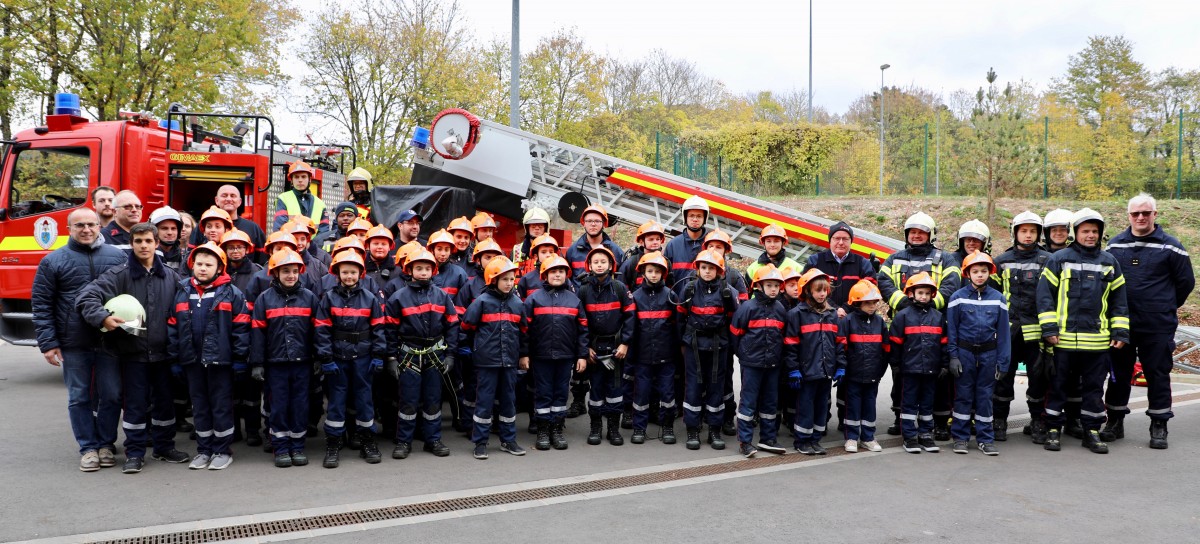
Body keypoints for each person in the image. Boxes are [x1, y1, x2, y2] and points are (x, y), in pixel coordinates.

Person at [77, 222, 192, 473]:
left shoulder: (172, 277)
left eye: (148, 241)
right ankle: (135, 452)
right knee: (135, 406)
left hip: (164, 356)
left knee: (165, 405)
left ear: (156, 243)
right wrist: (103, 318)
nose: (143, 245)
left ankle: (164, 448)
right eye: (138, 241)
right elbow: (86, 297)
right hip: (132, 355)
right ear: (132, 244)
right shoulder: (119, 275)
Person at [32, 208, 126, 471]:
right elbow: (41, 305)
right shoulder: (53, 261)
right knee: (79, 397)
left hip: (110, 340)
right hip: (73, 341)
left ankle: (106, 444)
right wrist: (48, 343)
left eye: (91, 225)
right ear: (68, 229)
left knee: (111, 395)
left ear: (100, 226)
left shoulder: (117, 256)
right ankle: (88, 448)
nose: (86, 230)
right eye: (80, 225)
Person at [1036, 208, 1129, 454]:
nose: (1090, 235)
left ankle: (1091, 431)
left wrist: (1120, 332)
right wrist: (1048, 329)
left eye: (1095, 231)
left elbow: (1119, 301)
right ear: (1075, 232)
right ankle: (1053, 429)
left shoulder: (1110, 262)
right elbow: (1045, 297)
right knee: (1057, 386)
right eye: (1085, 231)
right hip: (1062, 340)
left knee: (1093, 389)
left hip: (1097, 342)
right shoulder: (1058, 259)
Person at [1105, 194, 1193, 449]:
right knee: (1118, 375)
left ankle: (1159, 424)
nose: (1141, 218)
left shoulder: (1172, 247)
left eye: (1146, 213)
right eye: (1135, 214)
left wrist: (1163, 306)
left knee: (1157, 374)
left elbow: (1186, 283)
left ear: (1155, 214)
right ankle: (1114, 421)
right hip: (1122, 324)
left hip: (1157, 325)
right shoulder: (1115, 246)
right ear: (1128, 216)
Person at [876, 212, 960, 439]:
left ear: (930, 235)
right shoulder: (894, 259)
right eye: (912, 232)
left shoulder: (945, 259)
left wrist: (931, 306)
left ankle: (941, 421)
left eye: (921, 232)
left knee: (939, 378)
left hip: (935, 325)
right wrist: (904, 304)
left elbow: (952, 284)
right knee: (902, 377)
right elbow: (883, 281)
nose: (916, 236)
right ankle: (901, 417)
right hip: (904, 327)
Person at [168, 242, 251, 470]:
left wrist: (239, 360)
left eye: (208, 264)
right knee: (199, 406)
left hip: (221, 362)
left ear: (219, 268)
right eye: (199, 264)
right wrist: (175, 359)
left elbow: (241, 329)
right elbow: (173, 327)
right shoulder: (183, 290)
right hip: (192, 361)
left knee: (221, 406)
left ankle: (222, 450)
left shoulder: (232, 293)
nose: (202, 268)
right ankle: (204, 450)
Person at [313, 251, 388, 467]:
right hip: (338, 358)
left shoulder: (370, 298)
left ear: (360, 274)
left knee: (365, 401)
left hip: (363, 359)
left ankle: (368, 441)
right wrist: (326, 358)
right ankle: (333, 443)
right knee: (336, 402)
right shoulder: (329, 298)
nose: (349, 276)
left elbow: (378, 328)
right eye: (345, 272)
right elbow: (322, 329)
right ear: (337, 273)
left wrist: (378, 356)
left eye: (353, 272)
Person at [385, 249, 460, 460]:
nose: (424, 272)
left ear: (433, 270)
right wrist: (391, 358)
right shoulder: (398, 298)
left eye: (427, 268)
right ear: (409, 270)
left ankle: (433, 439)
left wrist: (451, 355)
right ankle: (403, 441)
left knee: (433, 400)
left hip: (435, 355)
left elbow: (453, 326)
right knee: (408, 401)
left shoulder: (442, 296)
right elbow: (389, 331)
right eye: (419, 268)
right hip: (408, 355)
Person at [804, 221, 878, 432]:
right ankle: (822, 420)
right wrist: (832, 308)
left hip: (853, 323)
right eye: (836, 238)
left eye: (845, 239)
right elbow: (806, 286)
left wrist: (845, 308)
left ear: (851, 242)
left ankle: (847, 419)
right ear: (830, 241)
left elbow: (870, 287)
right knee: (823, 370)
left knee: (848, 373)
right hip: (821, 322)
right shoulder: (815, 260)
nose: (841, 242)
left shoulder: (862, 263)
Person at [250, 248, 318, 468]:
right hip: (275, 365)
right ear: (275, 273)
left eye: (295, 271)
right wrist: (258, 363)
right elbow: (258, 334)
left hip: (303, 363)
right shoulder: (264, 299)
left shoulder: (309, 298)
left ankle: (297, 447)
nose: (291, 275)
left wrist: (318, 357)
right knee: (278, 406)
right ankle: (280, 448)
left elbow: (318, 331)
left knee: (300, 405)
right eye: (285, 271)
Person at [991, 211, 1052, 443]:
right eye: (1024, 231)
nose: (1028, 235)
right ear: (1014, 232)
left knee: (1038, 377)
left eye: (1033, 231)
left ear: (1039, 234)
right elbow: (992, 297)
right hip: (1008, 331)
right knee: (1003, 377)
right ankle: (999, 421)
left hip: (1036, 331)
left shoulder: (1048, 261)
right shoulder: (1000, 262)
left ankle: (1037, 421)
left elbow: (1052, 297)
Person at [461, 256, 529, 460]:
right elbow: (466, 328)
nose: (509, 283)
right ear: (493, 279)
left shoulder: (517, 303)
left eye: (512, 279)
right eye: (505, 279)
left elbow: (524, 332)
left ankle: (508, 440)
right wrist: (471, 350)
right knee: (484, 401)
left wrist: (523, 355)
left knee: (509, 401)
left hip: (509, 361)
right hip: (486, 362)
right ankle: (480, 442)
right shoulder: (481, 302)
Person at [946, 251, 1010, 456]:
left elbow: (1003, 334)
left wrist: (1003, 362)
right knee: (963, 395)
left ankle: (985, 438)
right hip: (964, 353)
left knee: (985, 396)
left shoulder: (998, 299)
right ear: (967, 273)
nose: (980, 275)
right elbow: (952, 330)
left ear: (990, 272)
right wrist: (953, 356)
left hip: (988, 355)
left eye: (984, 271)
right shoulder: (957, 298)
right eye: (975, 271)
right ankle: (960, 438)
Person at [523, 255, 588, 451]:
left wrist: (582, 355)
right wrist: (524, 354)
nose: (557, 274)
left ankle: (557, 430)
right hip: (540, 356)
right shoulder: (534, 299)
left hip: (565, 356)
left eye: (561, 271)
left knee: (560, 394)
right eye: (553, 271)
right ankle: (543, 430)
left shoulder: (574, 300)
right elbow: (524, 330)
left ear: (566, 274)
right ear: (545, 274)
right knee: (543, 393)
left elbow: (583, 330)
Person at [677, 249, 738, 450]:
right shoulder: (689, 289)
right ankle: (693, 430)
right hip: (694, 345)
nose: (707, 271)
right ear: (698, 269)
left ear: (719, 270)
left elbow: (733, 318)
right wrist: (682, 342)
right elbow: (680, 318)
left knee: (716, 387)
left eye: (712, 268)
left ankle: (714, 429)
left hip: (718, 346)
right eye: (704, 267)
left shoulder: (727, 291)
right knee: (693, 387)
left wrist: (729, 344)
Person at [730, 265, 788, 458]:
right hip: (752, 364)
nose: (773, 289)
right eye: (769, 285)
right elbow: (736, 335)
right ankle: (745, 442)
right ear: (758, 286)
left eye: (776, 285)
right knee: (748, 403)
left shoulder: (780, 309)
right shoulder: (747, 308)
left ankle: (768, 438)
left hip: (772, 364)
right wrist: (744, 355)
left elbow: (783, 335)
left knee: (770, 403)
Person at [784, 269, 844, 455]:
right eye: (818, 290)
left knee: (821, 407)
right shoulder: (796, 314)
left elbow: (839, 342)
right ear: (808, 291)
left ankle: (816, 440)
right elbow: (791, 345)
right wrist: (793, 369)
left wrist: (841, 366)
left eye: (824, 290)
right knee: (805, 407)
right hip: (806, 372)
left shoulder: (832, 314)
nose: (822, 294)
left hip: (826, 371)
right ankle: (802, 440)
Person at [577, 246, 632, 446]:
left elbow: (630, 318)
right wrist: (585, 349)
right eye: (596, 262)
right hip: (594, 351)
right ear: (589, 265)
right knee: (596, 389)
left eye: (603, 262)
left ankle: (614, 429)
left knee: (615, 390)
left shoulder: (619, 288)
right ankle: (595, 427)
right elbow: (580, 323)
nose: (599, 265)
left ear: (610, 265)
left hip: (616, 349)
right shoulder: (583, 290)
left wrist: (625, 343)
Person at [622, 251, 678, 445]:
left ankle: (667, 427)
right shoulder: (635, 297)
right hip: (642, 356)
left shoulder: (671, 295)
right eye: (650, 271)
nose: (654, 274)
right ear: (643, 272)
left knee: (668, 394)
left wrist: (677, 350)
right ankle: (639, 428)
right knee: (641, 393)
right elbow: (630, 327)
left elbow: (677, 326)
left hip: (666, 356)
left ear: (664, 273)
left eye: (657, 271)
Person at [889, 272, 947, 454]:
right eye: (920, 292)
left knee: (927, 404)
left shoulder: (938, 317)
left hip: (931, 369)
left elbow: (944, 343)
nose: (923, 296)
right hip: (909, 370)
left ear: (932, 295)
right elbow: (895, 343)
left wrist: (944, 364)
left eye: (927, 293)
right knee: (909, 404)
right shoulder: (902, 316)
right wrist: (896, 365)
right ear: (911, 293)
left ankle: (925, 435)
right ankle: (909, 436)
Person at [455, 239, 505, 434]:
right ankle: (470, 425)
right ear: (478, 260)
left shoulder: (506, 284)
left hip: (498, 346)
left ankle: (497, 424)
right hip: (475, 346)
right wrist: (463, 343)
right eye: (487, 257)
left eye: (495, 256)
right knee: (473, 388)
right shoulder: (470, 286)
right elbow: (460, 315)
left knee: (497, 388)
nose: (491, 260)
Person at [701, 229, 747, 436]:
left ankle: (728, 416)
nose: (714, 249)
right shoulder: (701, 272)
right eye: (711, 246)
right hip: (701, 339)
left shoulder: (734, 276)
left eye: (719, 247)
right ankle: (706, 414)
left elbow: (743, 309)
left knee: (725, 378)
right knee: (703, 378)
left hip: (725, 337)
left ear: (726, 251)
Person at [838, 280, 888, 453]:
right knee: (852, 406)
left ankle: (868, 437)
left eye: (874, 302)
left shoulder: (880, 323)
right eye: (868, 302)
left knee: (869, 406)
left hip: (873, 374)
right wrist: (843, 369)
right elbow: (841, 348)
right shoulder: (848, 321)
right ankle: (851, 437)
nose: (872, 306)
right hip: (853, 375)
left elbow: (885, 350)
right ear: (857, 302)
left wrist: (880, 371)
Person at [191, 185, 267, 264]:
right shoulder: (203, 225)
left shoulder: (253, 228)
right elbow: (191, 257)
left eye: (233, 196)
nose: (228, 199)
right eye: (224, 196)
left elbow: (263, 261)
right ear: (216, 200)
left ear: (240, 202)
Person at [565, 204, 624, 279]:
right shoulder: (572, 251)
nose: (593, 224)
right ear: (584, 224)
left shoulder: (616, 251)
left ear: (604, 224)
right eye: (589, 221)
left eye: (597, 221)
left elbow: (622, 279)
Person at [664, 195, 711, 286]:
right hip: (676, 299)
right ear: (685, 217)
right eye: (691, 216)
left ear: (705, 218)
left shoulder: (711, 244)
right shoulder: (673, 245)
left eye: (699, 216)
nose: (695, 219)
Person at [273, 160, 330, 235]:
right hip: (291, 244)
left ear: (309, 179)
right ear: (291, 180)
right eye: (296, 177)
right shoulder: (283, 199)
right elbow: (279, 227)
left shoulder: (320, 204)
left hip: (314, 246)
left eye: (303, 177)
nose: (300, 180)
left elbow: (324, 232)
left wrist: (313, 245)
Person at [619, 221, 669, 293]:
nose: (655, 242)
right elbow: (621, 290)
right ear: (641, 242)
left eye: (658, 239)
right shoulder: (631, 263)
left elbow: (670, 288)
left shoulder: (666, 262)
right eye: (651, 239)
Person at [516, 234, 562, 300]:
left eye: (551, 252)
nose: (548, 255)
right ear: (536, 257)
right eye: (543, 252)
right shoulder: (526, 280)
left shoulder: (563, 279)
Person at [150, 206, 190, 275]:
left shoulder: (185, 256)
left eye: (173, 228)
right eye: (164, 228)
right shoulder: (146, 255)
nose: (170, 233)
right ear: (154, 231)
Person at [513, 207, 550, 276]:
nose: (537, 228)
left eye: (540, 225)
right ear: (527, 228)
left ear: (546, 228)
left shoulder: (553, 250)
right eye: (533, 225)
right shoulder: (516, 250)